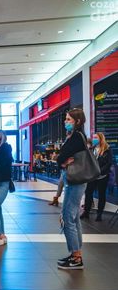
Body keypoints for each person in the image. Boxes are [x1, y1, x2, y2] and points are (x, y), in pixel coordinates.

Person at [56, 108, 89, 270]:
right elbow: (62, 157)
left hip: (75, 181)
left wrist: (61, 160)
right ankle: (76, 254)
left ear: (78, 121)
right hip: (75, 180)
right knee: (74, 218)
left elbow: (60, 157)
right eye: (66, 119)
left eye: (69, 119)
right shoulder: (75, 136)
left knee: (67, 217)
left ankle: (76, 257)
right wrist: (62, 160)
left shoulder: (76, 136)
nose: (66, 122)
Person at [81, 132, 113, 221]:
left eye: (96, 137)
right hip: (92, 176)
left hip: (102, 176)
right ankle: (86, 212)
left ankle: (99, 214)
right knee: (88, 193)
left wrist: (99, 171)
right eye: (93, 137)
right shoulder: (91, 149)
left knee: (101, 195)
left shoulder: (107, 149)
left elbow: (109, 163)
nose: (93, 139)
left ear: (101, 139)